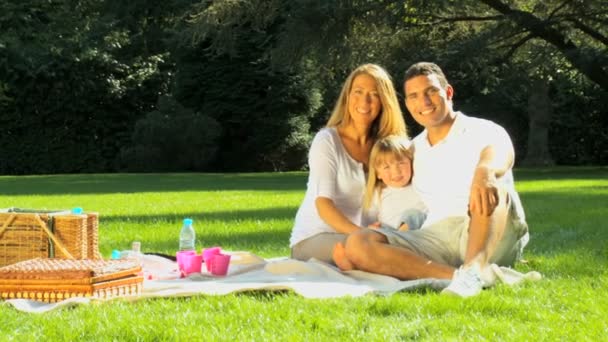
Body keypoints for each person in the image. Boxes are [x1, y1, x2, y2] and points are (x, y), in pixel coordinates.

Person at [333, 62, 529, 297]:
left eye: (430, 92)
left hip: (486, 227)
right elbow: (396, 186)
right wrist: (388, 229)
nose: (423, 102)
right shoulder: (414, 149)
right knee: (358, 243)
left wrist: (485, 172)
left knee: (493, 187)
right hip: (436, 237)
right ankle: (461, 277)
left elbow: (501, 151)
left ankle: (475, 267)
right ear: (407, 104)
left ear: (448, 93)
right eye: (413, 96)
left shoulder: (481, 129)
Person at [290, 64, 407, 264]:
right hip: (314, 238)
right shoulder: (327, 140)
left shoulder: (386, 147)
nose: (365, 101)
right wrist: (363, 234)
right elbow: (323, 204)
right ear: (347, 96)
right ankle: (448, 276)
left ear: (384, 102)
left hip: (367, 238)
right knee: (377, 252)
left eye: (374, 94)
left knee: (404, 248)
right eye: (358, 92)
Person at [362, 135, 427, 231]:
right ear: (378, 173)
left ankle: (400, 238)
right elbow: (367, 221)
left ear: (411, 163)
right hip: (389, 233)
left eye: (401, 163)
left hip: (415, 234)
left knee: (413, 215)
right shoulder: (378, 193)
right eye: (387, 167)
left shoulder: (418, 184)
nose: (396, 172)